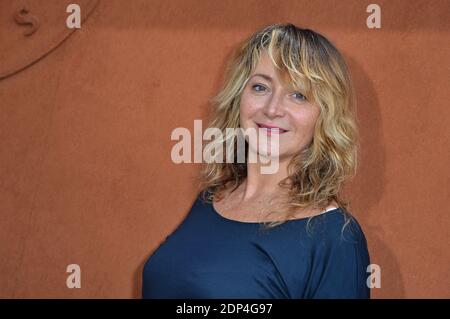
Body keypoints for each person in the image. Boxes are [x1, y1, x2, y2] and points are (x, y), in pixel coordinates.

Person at [142, 23, 370, 299]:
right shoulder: (211, 199)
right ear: (239, 97)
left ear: (325, 116)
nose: (272, 109)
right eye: (260, 87)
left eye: (298, 95)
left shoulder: (334, 236)